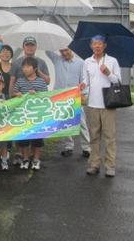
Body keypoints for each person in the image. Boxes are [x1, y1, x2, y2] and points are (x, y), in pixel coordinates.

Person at [79, 35, 122, 178]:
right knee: (94, 136)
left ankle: (110, 166)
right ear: (91, 46)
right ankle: (94, 164)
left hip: (108, 103)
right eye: (94, 44)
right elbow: (86, 80)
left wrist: (108, 73)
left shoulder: (112, 61)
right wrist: (83, 85)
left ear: (104, 46)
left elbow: (118, 81)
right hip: (92, 104)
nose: (97, 46)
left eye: (100, 44)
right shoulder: (87, 62)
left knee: (109, 136)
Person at [46, 47, 90, 158]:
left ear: (72, 50)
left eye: (66, 50)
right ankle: (68, 146)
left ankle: (87, 148)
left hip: (75, 96)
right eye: (61, 51)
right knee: (64, 123)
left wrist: (84, 92)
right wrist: (56, 42)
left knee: (81, 122)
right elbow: (48, 49)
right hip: (60, 96)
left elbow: (84, 79)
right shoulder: (57, 59)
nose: (64, 53)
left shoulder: (81, 63)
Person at [12, 57, 48, 171]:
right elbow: (13, 94)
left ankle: (36, 160)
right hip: (24, 116)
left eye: (28, 67)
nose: (25, 69)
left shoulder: (41, 81)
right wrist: (16, 95)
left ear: (35, 68)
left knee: (37, 140)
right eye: (23, 67)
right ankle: (25, 159)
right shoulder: (20, 81)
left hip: (37, 116)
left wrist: (36, 94)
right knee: (24, 139)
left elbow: (46, 97)